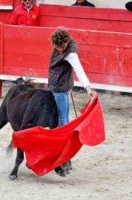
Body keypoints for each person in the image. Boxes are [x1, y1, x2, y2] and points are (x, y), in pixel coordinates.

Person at [48, 28, 95, 177]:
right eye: (57, 47)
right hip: (56, 85)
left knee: (64, 123)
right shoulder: (59, 42)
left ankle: (63, 158)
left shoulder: (71, 54)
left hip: (60, 89)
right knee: (59, 120)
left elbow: (79, 70)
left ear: (66, 42)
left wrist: (88, 88)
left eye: (62, 47)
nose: (59, 50)